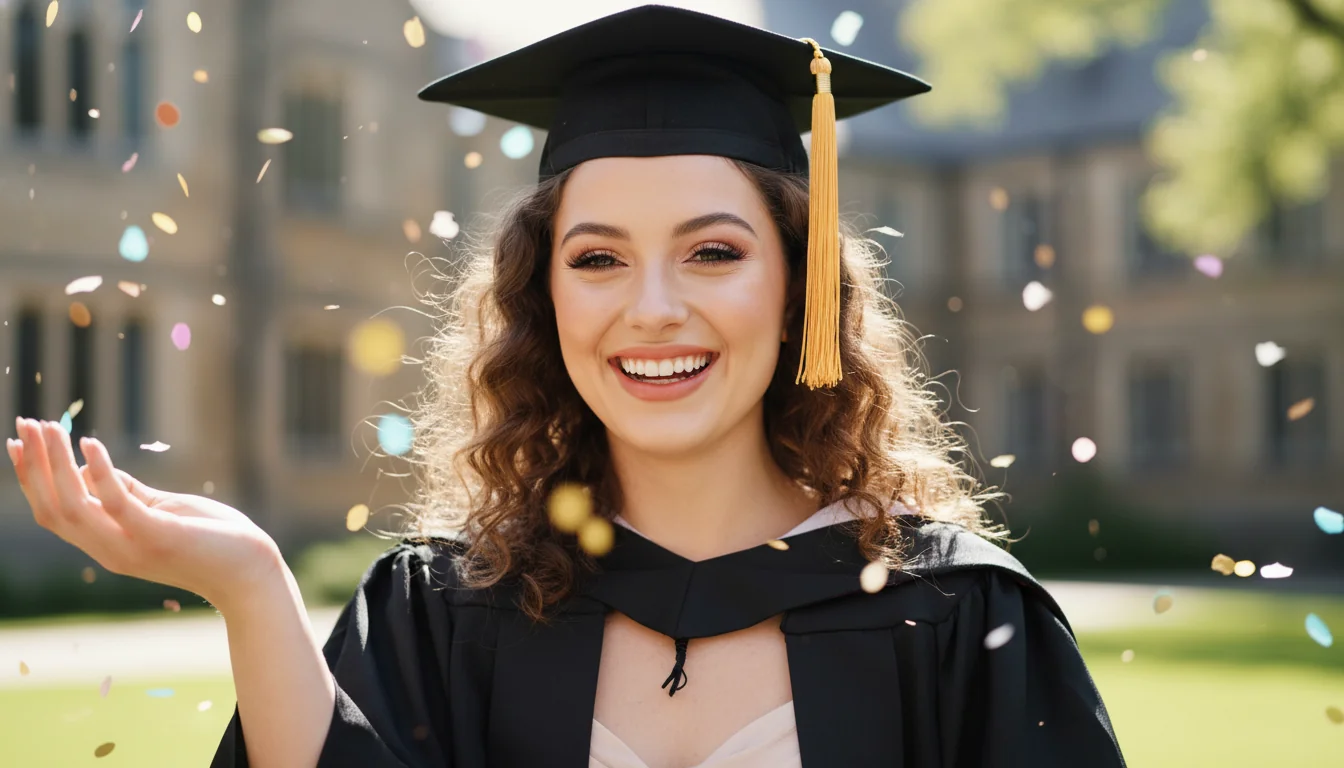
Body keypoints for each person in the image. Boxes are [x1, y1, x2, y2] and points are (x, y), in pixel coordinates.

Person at [6, 6, 1125, 767]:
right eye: (596, 258)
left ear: (800, 288)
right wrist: (252, 585)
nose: (651, 309)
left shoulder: (959, 616)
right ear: (544, 300)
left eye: (714, 252)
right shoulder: (445, 610)